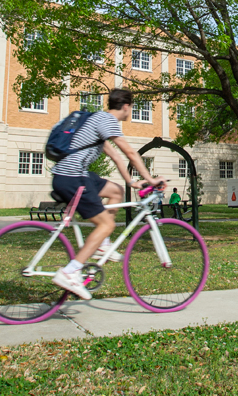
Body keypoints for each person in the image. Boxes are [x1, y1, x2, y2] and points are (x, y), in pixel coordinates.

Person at [50, 88, 165, 299]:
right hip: (72, 178)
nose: (130, 111)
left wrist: (131, 182)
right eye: (131, 108)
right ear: (126, 106)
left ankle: (103, 246)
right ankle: (71, 272)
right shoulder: (108, 121)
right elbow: (129, 153)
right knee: (106, 224)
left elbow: (116, 157)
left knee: (116, 191)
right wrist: (151, 180)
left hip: (75, 175)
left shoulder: (97, 120)